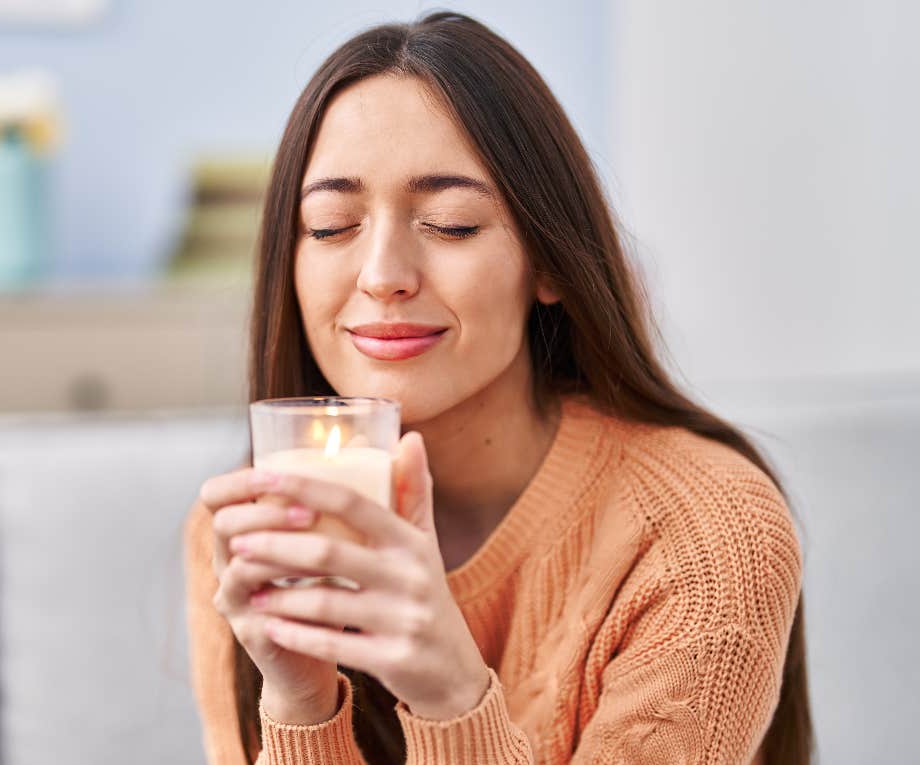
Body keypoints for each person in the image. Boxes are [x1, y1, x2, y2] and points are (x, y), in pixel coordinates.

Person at [182, 11, 812, 765]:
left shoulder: (704, 535)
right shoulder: (254, 534)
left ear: (547, 263)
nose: (383, 275)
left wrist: (449, 692)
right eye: (330, 226)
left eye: (450, 224)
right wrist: (299, 704)